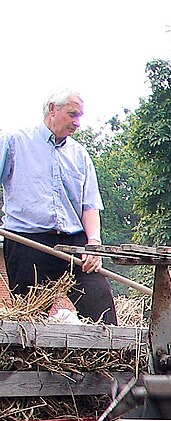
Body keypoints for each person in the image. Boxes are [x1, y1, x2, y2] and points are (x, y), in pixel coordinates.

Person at [0, 89, 116, 323]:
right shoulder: (14, 142)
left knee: (101, 311)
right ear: (52, 109)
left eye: (80, 116)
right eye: (73, 114)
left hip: (73, 243)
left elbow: (90, 205)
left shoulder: (80, 155)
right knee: (29, 321)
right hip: (27, 241)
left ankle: (116, 355)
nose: (77, 123)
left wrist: (93, 243)